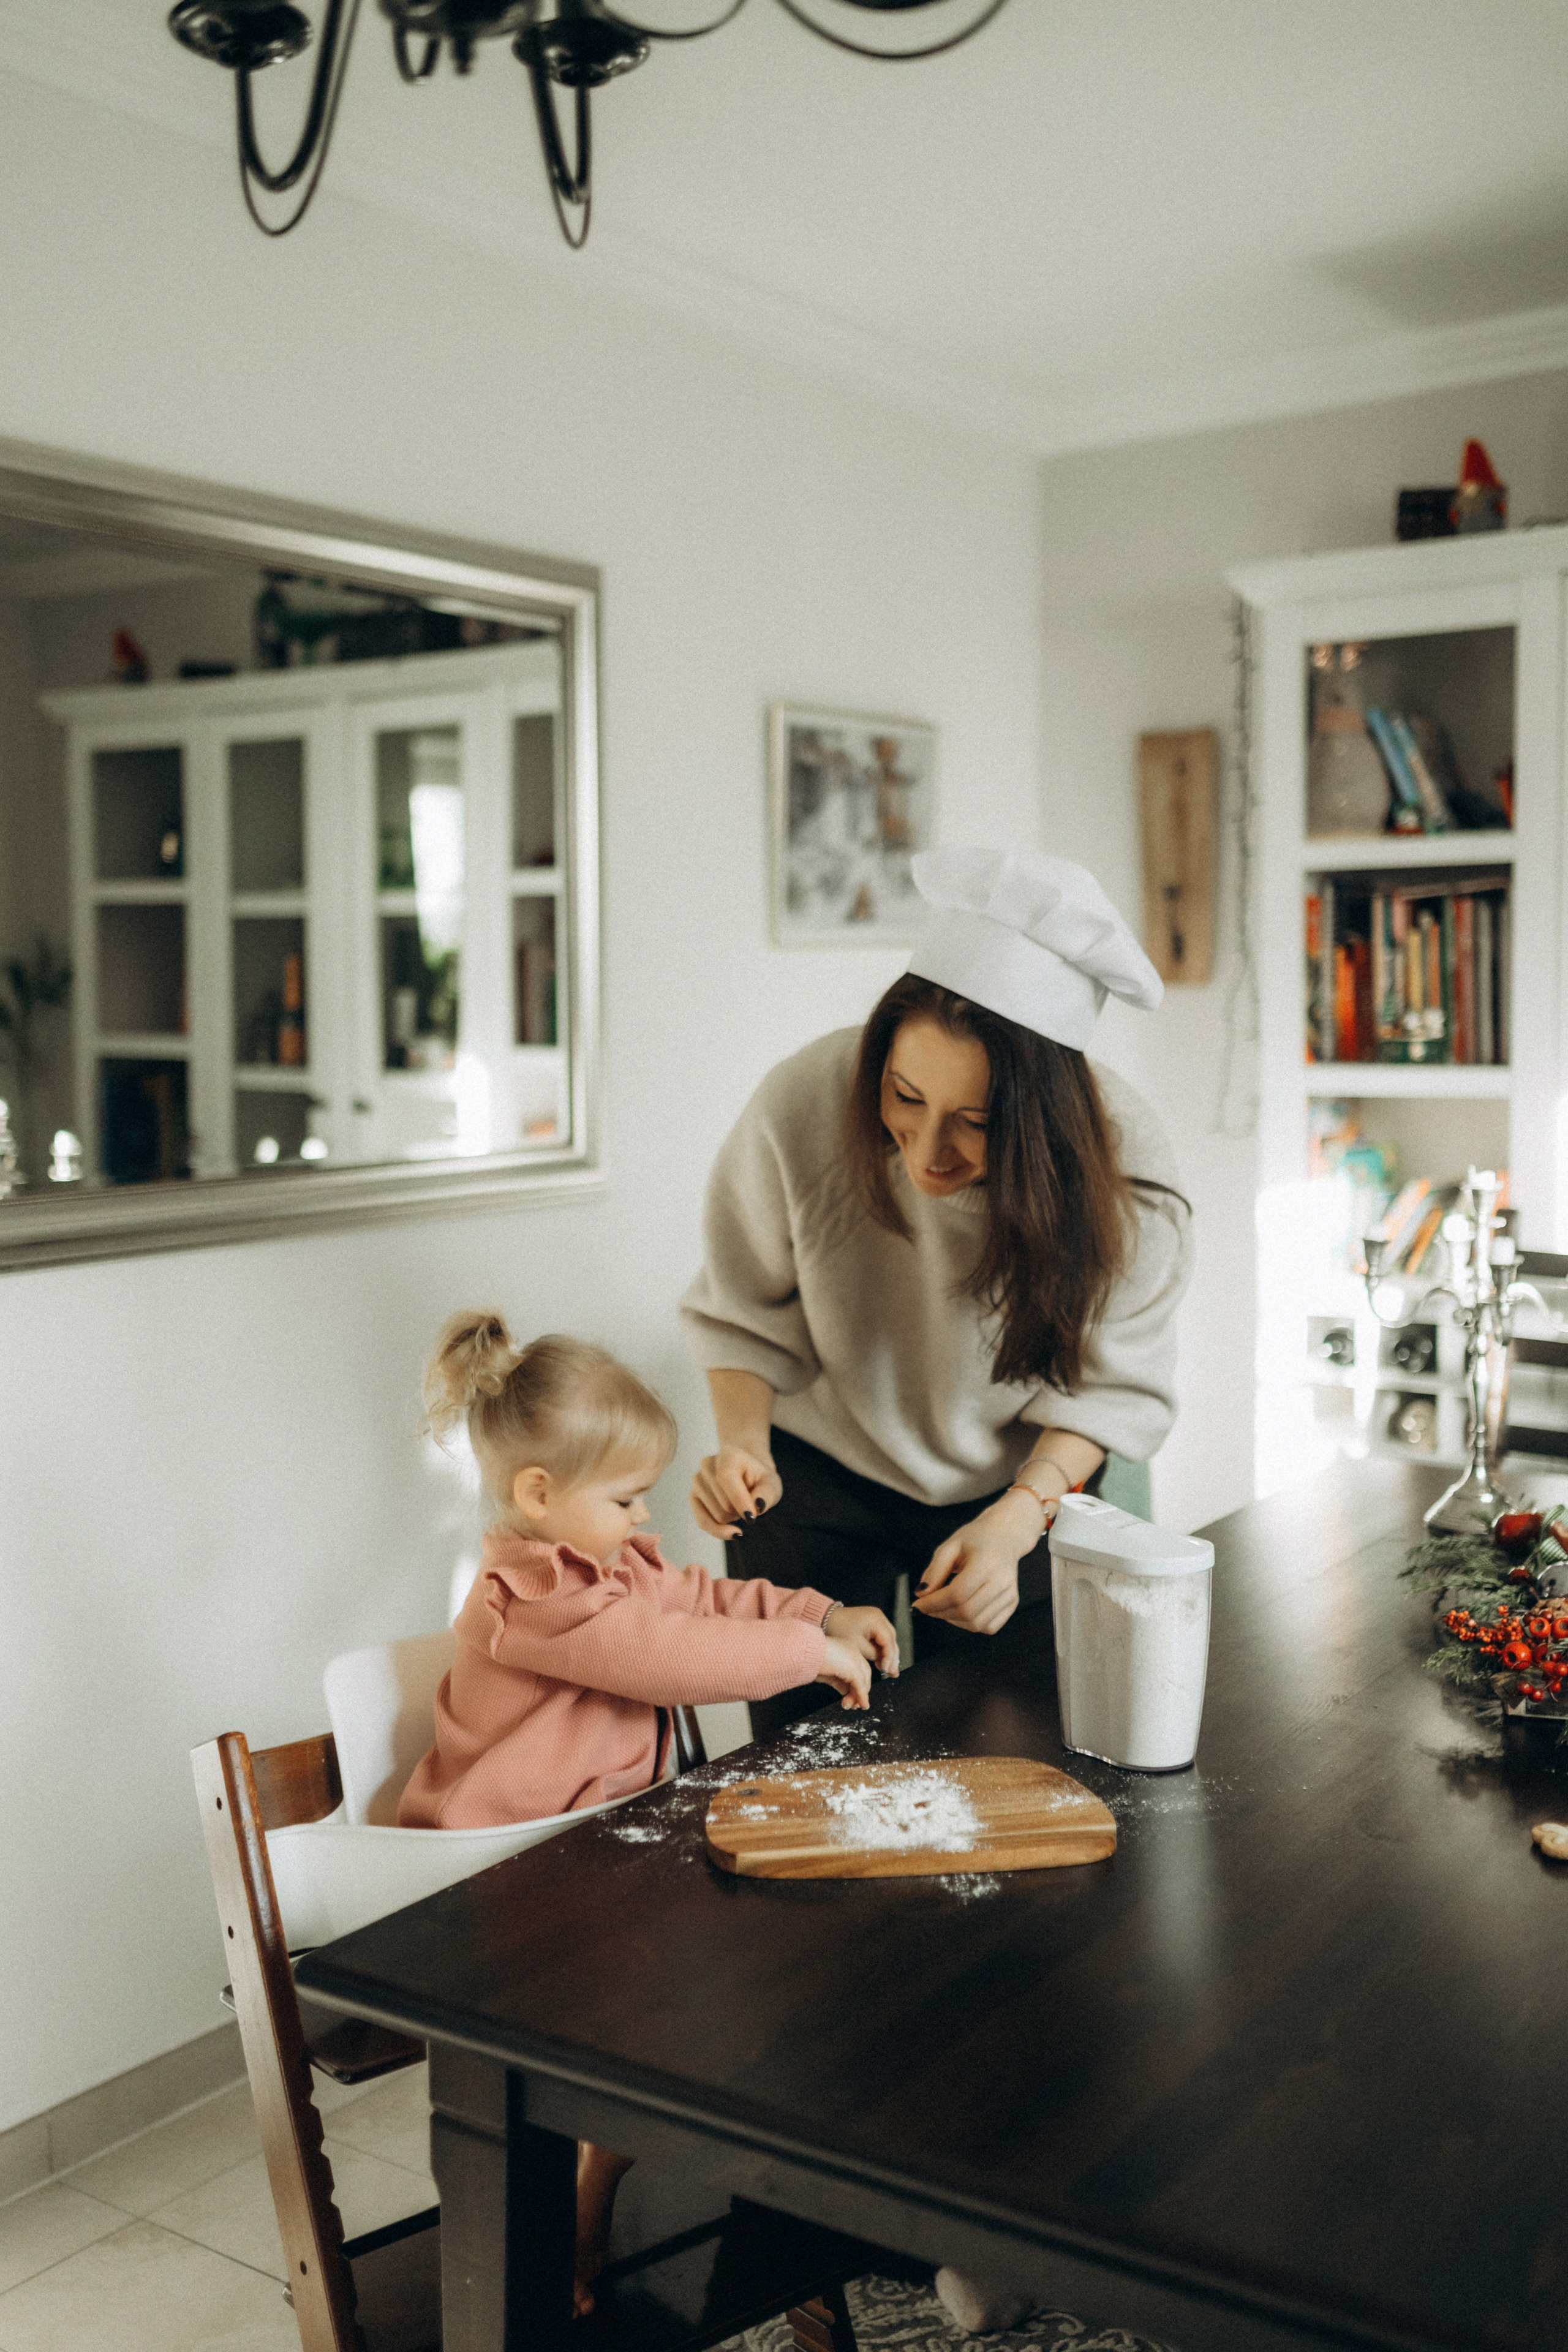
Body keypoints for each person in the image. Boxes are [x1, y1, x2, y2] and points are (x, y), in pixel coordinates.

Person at [400, 1310, 898, 2308]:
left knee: (737, 1979)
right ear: (537, 1495)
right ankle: (553, 2226)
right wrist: (810, 1658)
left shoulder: (610, 1563)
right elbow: (665, 1655)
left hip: (599, 1853)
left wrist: (815, 1613)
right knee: (623, 2044)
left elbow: (701, 1607)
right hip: (506, 1877)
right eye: (627, 1498)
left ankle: (641, 2173)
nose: (642, 1518)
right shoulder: (525, 1597)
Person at [682, 845, 1193, 1740]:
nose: (927, 1152)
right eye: (905, 1098)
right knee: (806, 1761)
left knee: (1005, 1746)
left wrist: (1020, 1519)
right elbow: (741, 1303)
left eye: (977, 1124)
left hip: (1015, 1480)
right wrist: (740, 1450)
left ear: (1044, 1121)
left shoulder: (1129, 1178)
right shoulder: (803, 1102)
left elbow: (1114, 1390)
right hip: (817, 1471)